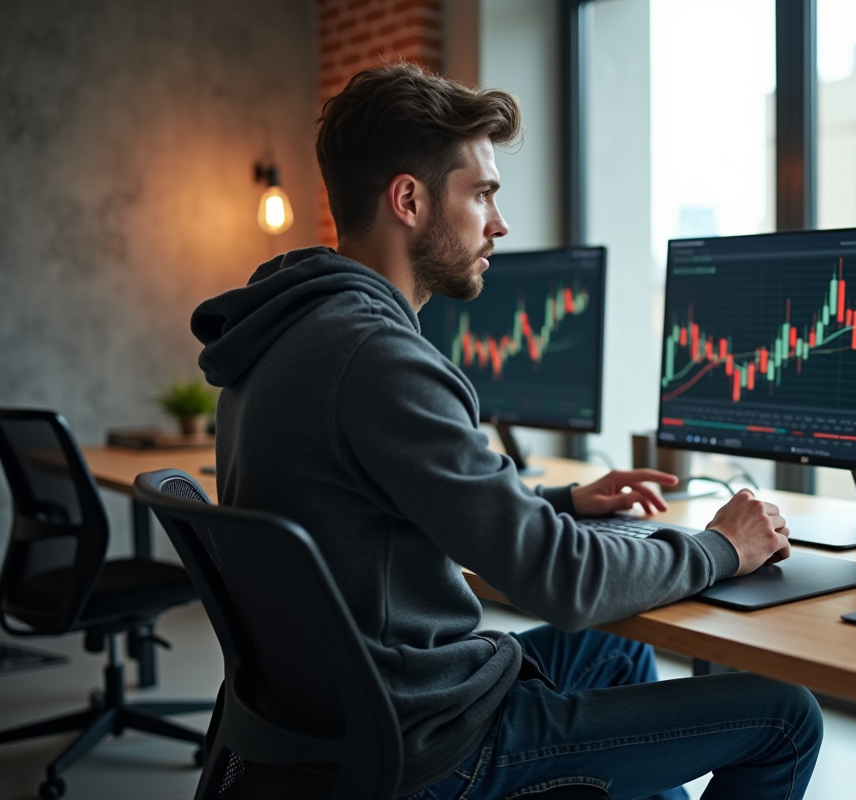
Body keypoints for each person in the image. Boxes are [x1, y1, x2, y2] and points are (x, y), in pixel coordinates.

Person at [191, 61, 822, 799]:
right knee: (787, 717)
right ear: (409, 200)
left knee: (613, 658)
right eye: (483, 193)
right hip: (432, 745)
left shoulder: (285, 331)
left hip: (353, 711)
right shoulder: (376, 358)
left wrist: (564, 507)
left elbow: (378, 516)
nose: (500, 222)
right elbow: (561, 582)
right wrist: (723, 547)